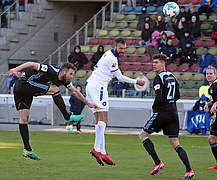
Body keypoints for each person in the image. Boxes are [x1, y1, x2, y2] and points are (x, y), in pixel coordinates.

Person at [7, 62, 97, 160]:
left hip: (23, 90)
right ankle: (67, 117)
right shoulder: (50, 69)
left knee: (24, 119)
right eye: (70, 74)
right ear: (63, 72)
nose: (71, 77)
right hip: (25, 83)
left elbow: (75, 91)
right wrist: (16, 69)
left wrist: (88, 103)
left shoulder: (64, 80)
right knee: (54, 89)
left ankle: (27, 150)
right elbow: (32, 64)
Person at [86, 38, 145, 166]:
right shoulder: (112, 59)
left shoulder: (109, 53)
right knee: (104, 118)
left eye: (124, 48)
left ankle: (102, 151)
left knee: (99, 119)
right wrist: (136, 81)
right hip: (99, 87)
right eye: (120, 48)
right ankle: (97, 149)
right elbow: (120, 77)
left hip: (92, 85)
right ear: (115, 46)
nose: (122, 51)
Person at [139, 54, 194, 179]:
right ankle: (189, 170)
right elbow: (178, 95)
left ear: (163, 64)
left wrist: (154, 107)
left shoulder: (158, 78)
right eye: (153, 62)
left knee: (142, 135)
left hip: (162, 112)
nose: (154, 65)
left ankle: (157, 162)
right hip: (173, 112)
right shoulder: (173, 76)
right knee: (175, 143)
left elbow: (158, 97)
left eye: (157, 62)